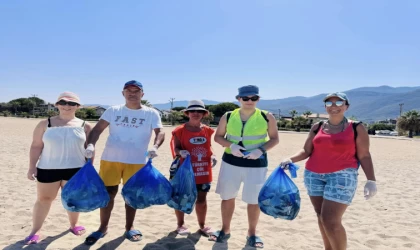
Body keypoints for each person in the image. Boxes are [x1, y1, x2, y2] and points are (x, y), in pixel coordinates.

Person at [280, 92, 377, 250]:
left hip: (342, 176)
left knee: (331, 220)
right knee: (321, 217)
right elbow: (306, 150)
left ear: (346, 106)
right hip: (313, 175)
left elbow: (364, 155)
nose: (334, 106)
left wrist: (371, 180)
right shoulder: (317, 126)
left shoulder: (356, 127)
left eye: (339, 103)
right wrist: (290, 159)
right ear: (325, 106)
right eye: (329, 103)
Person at [83, 80, 165, 245]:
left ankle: (129, 227)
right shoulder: (113, 111)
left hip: (136, 161)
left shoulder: (151, 113)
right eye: (129, 90)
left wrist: (155, 146)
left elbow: (160, 131)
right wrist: (91, 144)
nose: (132, 93)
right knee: (108, 194)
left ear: (142, 94)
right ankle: (102, 227)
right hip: (110, 159)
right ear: (123, 93)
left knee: (131, 195)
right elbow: (98, 129)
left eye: (136, 91)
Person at [210, 85, 279, 248]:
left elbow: (274, 139)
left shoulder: (267, 116)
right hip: (231, 163)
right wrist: (231, 146)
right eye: (245, 98)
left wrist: (260, 150)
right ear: (238, 99)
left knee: (254, 201)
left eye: (253, 98)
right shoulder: (228, 116)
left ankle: (252, 233)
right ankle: (225, 230)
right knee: (227, 197)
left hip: (257, 164)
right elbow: (218, 137)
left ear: (258, 99)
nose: (249, 101)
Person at [25, 92, 93, 244]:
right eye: (63, 102)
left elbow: (90, 148)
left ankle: (74, 225)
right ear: (57, 104)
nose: (67, 106)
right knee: (44, 199)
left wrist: (90, 170)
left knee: (72, 200)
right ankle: (35, 231)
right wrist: (32, 167)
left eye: (72, 103)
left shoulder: (85, 125)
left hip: (76, 169)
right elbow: (36, 146)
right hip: (47, 168)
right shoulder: (44, 124)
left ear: (78, 106)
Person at [169, 100, 217, 237]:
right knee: (181, 197)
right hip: (184, 170)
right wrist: (180, 152)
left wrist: (212, 155)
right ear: (187, 113)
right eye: (193, 111)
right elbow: (175, 147)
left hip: (203, 169)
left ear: (203, 114)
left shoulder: (207, 130)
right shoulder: (179, 130)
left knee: (202, 198)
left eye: (199, 111)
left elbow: (209, 146)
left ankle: (202, 226)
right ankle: (180, 224)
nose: (196, 113)